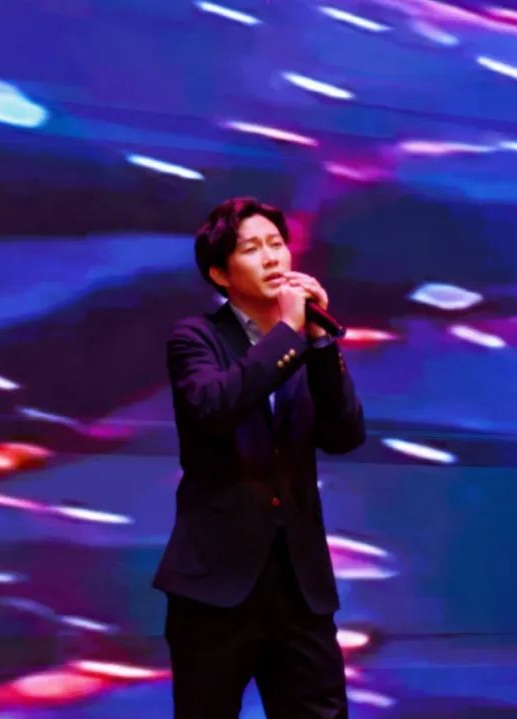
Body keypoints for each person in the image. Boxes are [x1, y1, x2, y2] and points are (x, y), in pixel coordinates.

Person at [153, 197, 366, 718]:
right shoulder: (196, 338)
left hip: (299, 587)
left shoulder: (304, 343)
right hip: (215, 586)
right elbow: (213, 407)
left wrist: (320, 345)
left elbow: (344, 435)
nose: (272, 258)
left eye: (277, 244)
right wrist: (287, 335)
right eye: (252, 249)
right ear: (220, 274)